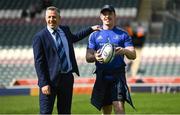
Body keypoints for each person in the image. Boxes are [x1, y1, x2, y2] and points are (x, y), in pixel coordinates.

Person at [32, 6, 100, 114]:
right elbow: (39, 62)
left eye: (54, 17)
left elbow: (75, 37)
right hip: (50, 81)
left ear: (59, 18)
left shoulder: (65, 30)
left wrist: (91, 29)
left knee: (65, 112)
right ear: (45, 18)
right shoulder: (39, 37)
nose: (51, 20)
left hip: (67, 79)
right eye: (49, 17)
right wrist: (44, 83)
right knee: (45, 112)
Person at [86, 5, 136, 114]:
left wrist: (124, 51)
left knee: (119, 108)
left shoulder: (123, 34)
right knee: (106, 110)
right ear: (101, 16)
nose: (107, 16)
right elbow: (88, 57)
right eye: (104, 14)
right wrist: (95, 56)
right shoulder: (94, 35)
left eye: (110, 14)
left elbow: (133, 54)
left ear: (114, 16)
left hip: (117, 75)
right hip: (102, 75)